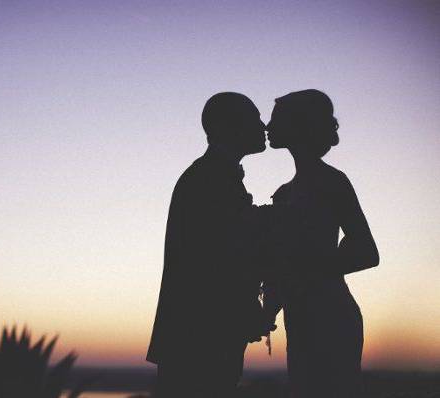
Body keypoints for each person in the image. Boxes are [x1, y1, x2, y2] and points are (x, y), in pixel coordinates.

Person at [146, 92, 273, 397]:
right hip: (200, 337)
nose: (264, 126)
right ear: (230, 126)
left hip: (203, 335)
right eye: (255, 118)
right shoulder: (208, 178)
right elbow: (215, 259)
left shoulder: (213, 175)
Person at [264, 89, 379, 398]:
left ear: (298, 126)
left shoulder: (332, 182)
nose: (267, 126)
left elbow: (367, 252)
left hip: (332, 316)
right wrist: (270, 309)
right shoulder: (284, 193)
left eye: (275, 119)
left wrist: (304, 271)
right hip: (300, 318)